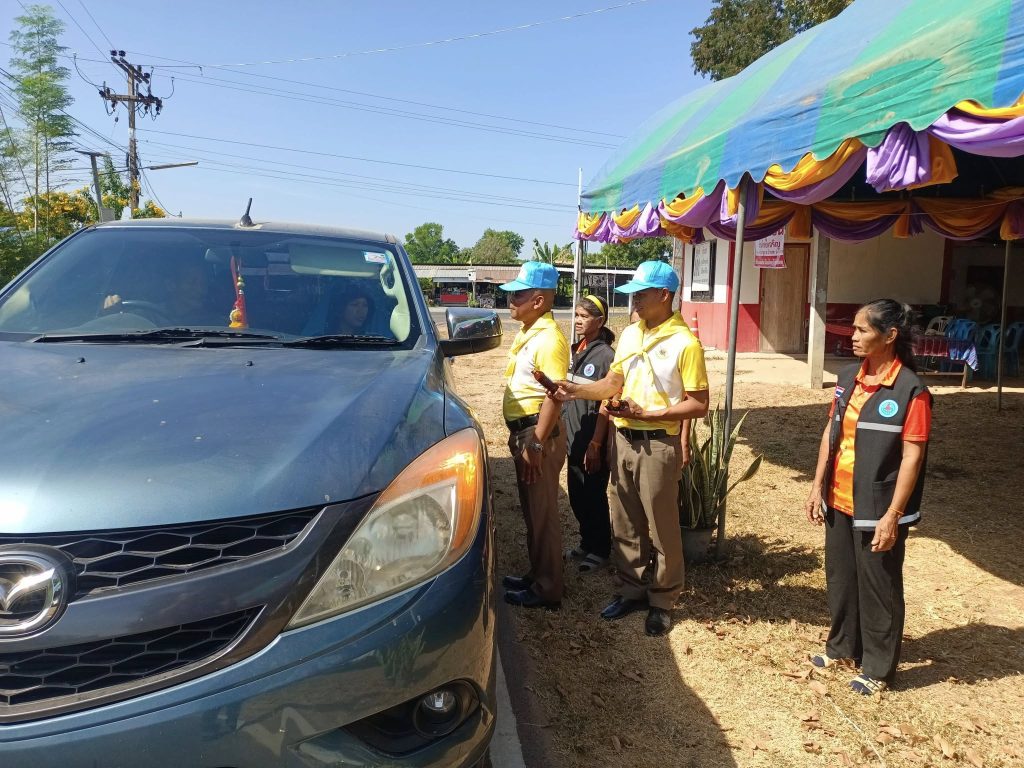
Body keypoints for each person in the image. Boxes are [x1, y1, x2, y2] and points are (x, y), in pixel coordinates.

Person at [556, 261, 709, 636]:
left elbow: (699, 404)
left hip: (657, 444)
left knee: (662, 528)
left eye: (641, 294)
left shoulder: (685, 344)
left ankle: (663, 599)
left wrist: (651, 413)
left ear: (664, 295)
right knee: (624, 521)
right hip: (623, 440)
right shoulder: (630, 335)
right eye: (633, 294)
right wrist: (575, 390)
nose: (634, 300)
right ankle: (631, 588)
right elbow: (613, 384)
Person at [804, 299, 932, 695]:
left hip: (879, 506)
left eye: (862, 330)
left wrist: (893, 514)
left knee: (880, 586)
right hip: (839, 498)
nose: (853, 336)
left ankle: (878, 667)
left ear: (889, 336)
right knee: (841, 578)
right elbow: (831, 432)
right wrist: (817, 485)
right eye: (854, 328)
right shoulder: (847, 378)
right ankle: (843, 647)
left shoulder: (911, 390)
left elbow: (912, 457)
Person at [499, 261, 570, 609]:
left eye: (518, 295)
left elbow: (555, 395)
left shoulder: (549, 339)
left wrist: (537, 443)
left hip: (537, 433)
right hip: (526, 432)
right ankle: (537, 574)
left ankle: (547, 588)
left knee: (542, 515)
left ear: (539, 301)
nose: (510, 300)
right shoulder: (530, 332)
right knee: (532, 510)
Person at [563, 295, 615, 573]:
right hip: (573, 436)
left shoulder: (605, 356)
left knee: (593, 495)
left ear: (600, 321)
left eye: (584, 316)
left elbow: (607, 401)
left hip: (591, 437)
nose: (578, 321)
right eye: (577, 315)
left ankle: (601, 548)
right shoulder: (578, 350)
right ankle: (586, 541)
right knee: (577, 495)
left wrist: (596, 443)